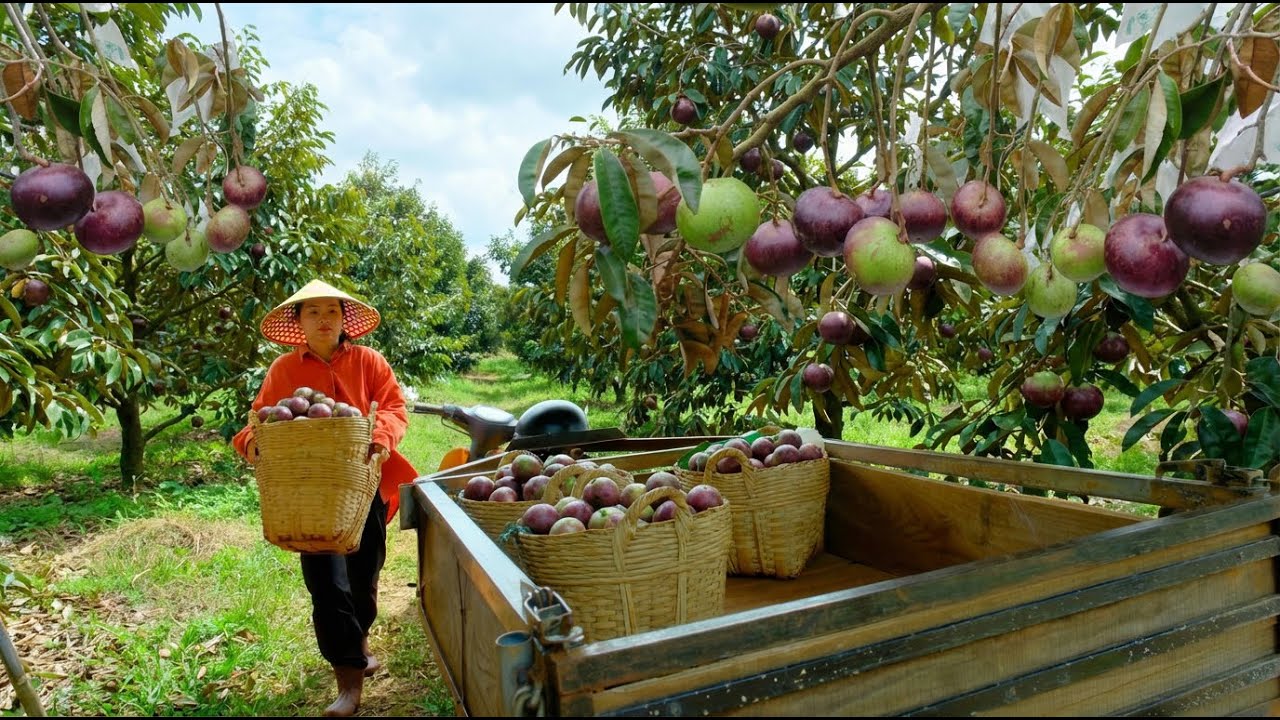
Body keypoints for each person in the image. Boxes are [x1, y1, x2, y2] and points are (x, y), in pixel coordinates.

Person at [232, 279, 419, 717]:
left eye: (331, 312)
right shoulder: (283, 371)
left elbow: (393, 407)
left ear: (343, 320)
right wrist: (252, 444)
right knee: (326, 585)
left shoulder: (369, 361)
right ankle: (348, 683)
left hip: (361, 485)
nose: (323, 320)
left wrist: (378, 437)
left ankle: (360, 637)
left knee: (364, 573)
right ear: (298, 322)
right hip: (308, 495)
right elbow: (257, 421)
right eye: (312, 312)